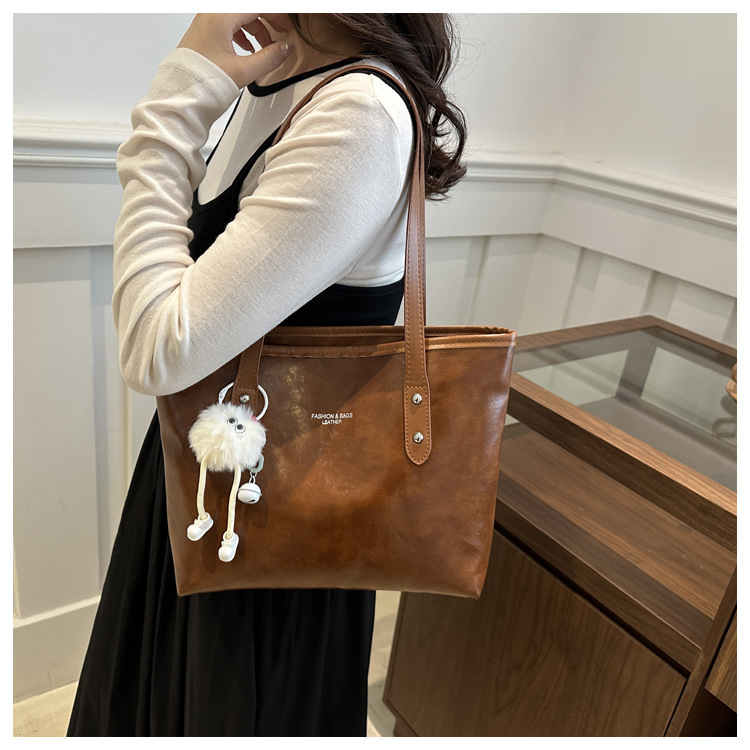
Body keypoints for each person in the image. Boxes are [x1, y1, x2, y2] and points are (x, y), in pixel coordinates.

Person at [67, 13, 467, 737]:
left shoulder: (360, 113)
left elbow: (158, 346)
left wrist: (177, 100)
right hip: (206, 484)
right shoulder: (274, 82)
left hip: (273, 525)